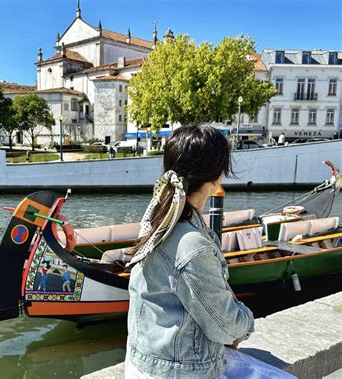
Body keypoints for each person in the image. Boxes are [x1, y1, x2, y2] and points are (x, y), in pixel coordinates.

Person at [125, 125, 295, 378]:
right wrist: (246, 322)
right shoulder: (192, 244)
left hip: (143, 362)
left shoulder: (155, 221)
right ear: (218, 177)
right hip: (177, 372)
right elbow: (226, 327)